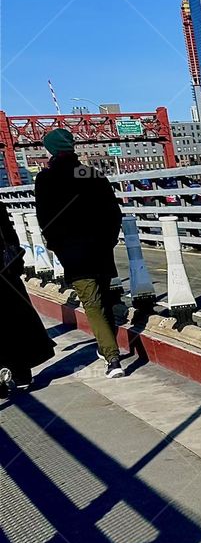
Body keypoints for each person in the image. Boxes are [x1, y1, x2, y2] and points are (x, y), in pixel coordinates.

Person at [34, 127, 125, 378]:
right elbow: (113, 212)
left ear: (51, 150)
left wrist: (56, 245)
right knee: (104, 298)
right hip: (100, 247)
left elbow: (45, 220)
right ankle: (106, 347)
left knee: (92, 303)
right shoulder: (89, 173)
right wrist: (109, 239)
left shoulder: (46, 179)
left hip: (73, 250)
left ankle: (113, 359)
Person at [0, 201, 55, 396]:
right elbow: (10, 237)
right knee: (16, 321)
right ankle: (22, 372)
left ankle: (4, 378)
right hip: (6, 274)